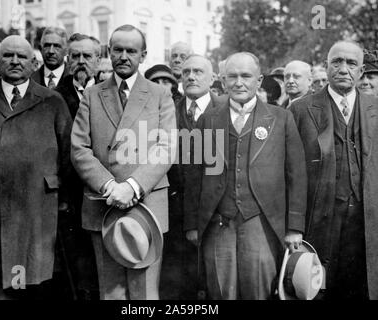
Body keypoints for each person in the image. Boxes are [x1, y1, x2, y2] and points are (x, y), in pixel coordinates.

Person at [184, 52, 307, 300]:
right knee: (220, 290)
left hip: (261, 222)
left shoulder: (281, 118)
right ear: (222, 80)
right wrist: (192, 224)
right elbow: (194, 175)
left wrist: (294, 227)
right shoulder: (208, 120)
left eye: (246, 76)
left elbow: (296, 174)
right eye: (233, 76)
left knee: (259, 290)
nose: (239, 82)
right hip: (219, 223)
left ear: (259, 80)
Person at [71, 24, 177, 300]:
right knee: (111, 292)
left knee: (145, 293)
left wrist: (131, 186)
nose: (123, 56)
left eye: (131, 51)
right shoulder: (93, 95)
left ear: (143, 55)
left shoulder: (159, 95)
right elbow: (79, 148)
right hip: (103, 202)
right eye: (117, 50)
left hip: (146, 203)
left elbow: (166, 148)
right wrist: (109, 186)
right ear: (109, 51)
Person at [0, 35, 72, 299]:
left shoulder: (52, 102)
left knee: (29, 279)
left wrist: (63, 198)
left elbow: (69, 157)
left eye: (21, 56)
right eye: (8, 56)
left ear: (34, 63)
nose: (14, 61)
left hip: (38, 207)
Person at [290, 40, 378, 300]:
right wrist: (294, 225)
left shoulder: (375, 108)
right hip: (319, 221)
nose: (343, 69)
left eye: (351, 63)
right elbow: (291, 172)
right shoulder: (301, 109)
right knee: (319, 288)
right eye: (336, 62)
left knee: (363, 286)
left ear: (361, 71)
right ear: (326, 67)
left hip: (366, 221)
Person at [162, 54, 223, 300]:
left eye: (198, 71)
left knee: (215, 285)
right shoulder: (167, 113)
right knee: (179, 286)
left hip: (217, 214)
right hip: (175, 215)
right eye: (186, 72)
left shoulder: (227, 110)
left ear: (212, 78)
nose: (190, 76)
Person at [55, 33, 102, 300]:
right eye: (76, 56)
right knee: (73, 266)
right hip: (69, 196)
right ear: (68, 59)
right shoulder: (53, 97)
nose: (81, 62)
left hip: (102, 193)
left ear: (98, 59)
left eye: (87, 56)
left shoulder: (112, 94)